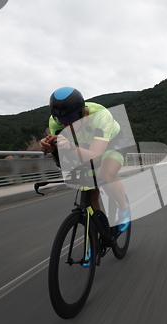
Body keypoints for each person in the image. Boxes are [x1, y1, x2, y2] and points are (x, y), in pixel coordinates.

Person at [40, 87, 130, 232]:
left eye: (70, 118)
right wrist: (52, 150)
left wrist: (69, 147)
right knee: (89, 190)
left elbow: (95, 157)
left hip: (113, 142)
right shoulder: (55, 122)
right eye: (60, 119)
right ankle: (94, 243)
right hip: (85, 145)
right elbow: (61, 163)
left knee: (105, 174)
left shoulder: (101, 116)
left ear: (82, 113)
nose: (65, 125)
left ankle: (124, 208)